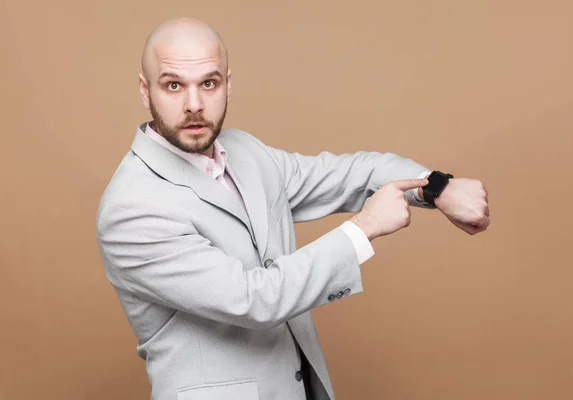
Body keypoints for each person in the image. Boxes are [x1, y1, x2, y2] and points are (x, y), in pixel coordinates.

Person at [95, 17, 490, 400]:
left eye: (208, 83)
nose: (194, 104)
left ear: (227, 85)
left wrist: (438, 186)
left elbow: (351, 173)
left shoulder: (246, 152)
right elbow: (254, 300)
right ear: (146, 90)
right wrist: (363, 228)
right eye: (174, 85)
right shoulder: (131, 208)